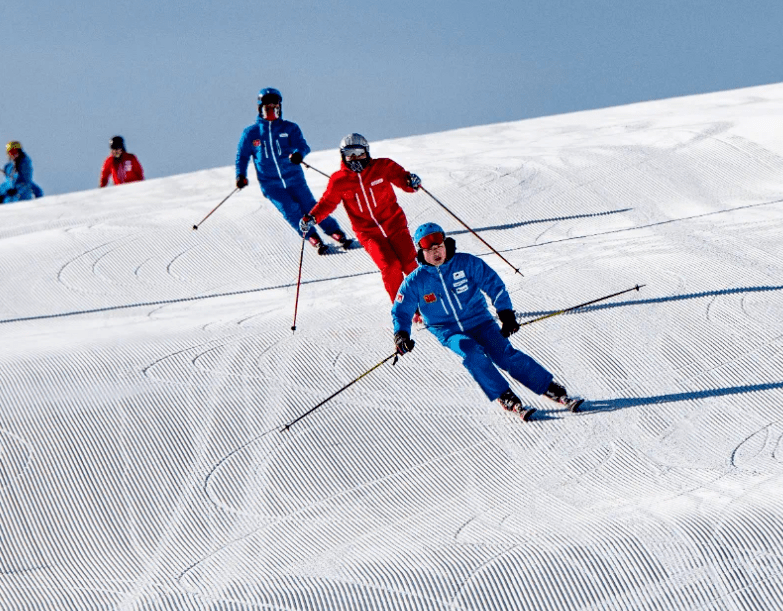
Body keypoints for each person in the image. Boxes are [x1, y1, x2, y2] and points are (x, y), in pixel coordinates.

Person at [391, 222, 584, 421]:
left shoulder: (466, 263)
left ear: (445, 244)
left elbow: (494, 284)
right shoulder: (415, 281)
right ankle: (505, 396)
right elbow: (401, 311)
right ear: (420, 252)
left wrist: (505, 312)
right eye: (429, 249)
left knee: (504, 354)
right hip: (448, 331)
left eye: (439, 246)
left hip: (480, 321)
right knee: (471, 353)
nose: (436, 252)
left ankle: (551, 389)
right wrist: (401, 335)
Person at [301, 133, 420, 303]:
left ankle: (428, 301)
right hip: (369, 233)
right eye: (350, 154)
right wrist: (312, 218)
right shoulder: (339, 181)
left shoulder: (382, 166)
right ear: (343, 155)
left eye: (359, 152)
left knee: (410, 263)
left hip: (394, 223)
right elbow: (327, 202)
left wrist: (411, 182)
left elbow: (403, 179)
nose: (355, 158)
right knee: (390, 266)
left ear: (367, 151)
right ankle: (404, 308)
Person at [235, 87, 352, 255]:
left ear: (280, 106)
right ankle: (313, 238)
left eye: (274, 105)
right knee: (290, 209)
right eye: (267, 105)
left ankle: (336, 232)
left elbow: (303, 145)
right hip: (271, 184)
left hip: (294, 178)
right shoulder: (251, 133)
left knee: (310, 206)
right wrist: (240, 175)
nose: (271, 108)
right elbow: (242, 155)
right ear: (260, 107)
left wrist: (298, 154)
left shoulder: (289, 128)